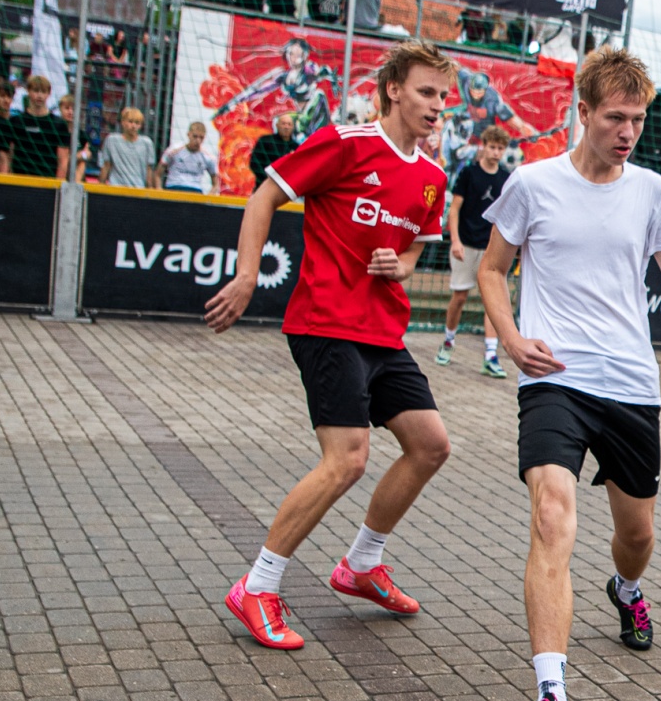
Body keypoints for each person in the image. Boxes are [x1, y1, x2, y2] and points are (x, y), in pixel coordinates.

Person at [476, 47, 661, 701]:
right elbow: (492, 270)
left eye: (637, 120)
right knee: (552, 516)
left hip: (630, 384)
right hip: (553, 377)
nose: (628, 131)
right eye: (615, 117)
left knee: (637, 534)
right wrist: (510, 339)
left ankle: (625, 588)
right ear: (583, 111)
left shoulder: (652, 191)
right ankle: (550, 694)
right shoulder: (532, 184)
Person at [205, 41, 456, 651]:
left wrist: (401, 265)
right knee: (347, 459)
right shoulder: (345, 143)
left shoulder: (432, 177)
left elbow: (415, 248)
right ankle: (257, 586)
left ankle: (361, 565)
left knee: (430, 445)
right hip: (326, 323)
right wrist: (247, 276)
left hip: (382, 332)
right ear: (393, 89)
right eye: (426, 91)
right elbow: (264, 196)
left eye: (443, 96)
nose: (437, 105)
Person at [440, 124, 511, 374]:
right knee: (459, 297)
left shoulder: (505, 178)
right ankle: (448, 341)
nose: (496, 152)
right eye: (492, 147)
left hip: (491, 249)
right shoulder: (469, 173)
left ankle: (491, 355)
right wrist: (455, 241)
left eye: (500, 148)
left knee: (492, 301)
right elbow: (455, 209)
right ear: (484, 146)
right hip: (466, 244)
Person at [8, 74, 70, 179]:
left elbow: (63, 161)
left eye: (43, 91)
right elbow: (9, 154)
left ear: (49, 93)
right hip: (19, 180)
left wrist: (58, 184)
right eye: (36, 91)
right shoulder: (16, 121)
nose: (39, 95)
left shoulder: (59, 124)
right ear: (28, 91)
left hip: (47, 181)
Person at [156, 121, 218, 193]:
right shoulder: (173, 151)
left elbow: (216, 183)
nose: (198, 141)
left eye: (201, 138)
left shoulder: (208, 157)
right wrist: (159, 191)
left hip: (195, 190)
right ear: (188, 134)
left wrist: (208, 197)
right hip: (174, 186)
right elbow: (158, 174)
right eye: (195, 136)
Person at [101, 109, 155, 188]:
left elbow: (149, 170)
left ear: (141, 125)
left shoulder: (147, 143)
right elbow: (106, 165)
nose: (133, 126)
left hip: (138, 189)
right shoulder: (111, 140)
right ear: (123, 122)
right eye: (130, 121)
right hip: (115, 187)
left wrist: (150, 190)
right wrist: (100, 187)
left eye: (137, 123)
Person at [249, 111, 301, 189]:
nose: (286, 127)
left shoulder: (296, 147)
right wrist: (267, 180)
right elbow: (254, 163)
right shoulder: (265, 141)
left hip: (286, 189)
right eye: (283, 123)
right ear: (277, 125)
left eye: (289, 124)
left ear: (293, 127)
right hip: (263, 186)